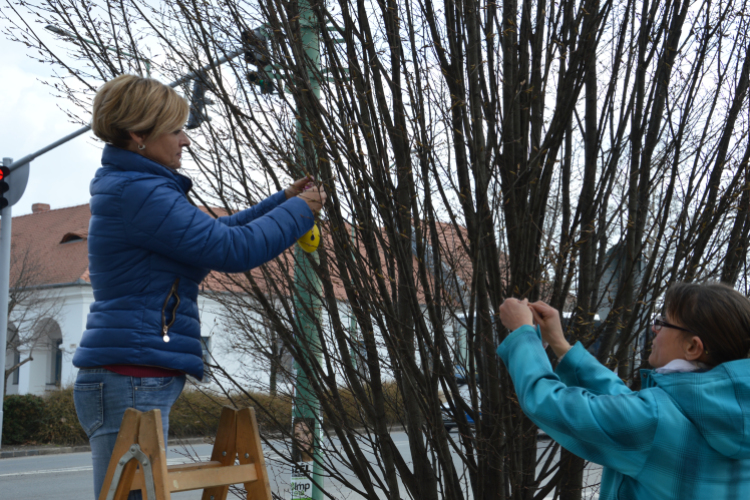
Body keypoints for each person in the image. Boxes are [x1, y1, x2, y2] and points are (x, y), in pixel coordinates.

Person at [71, 74, 327, 500]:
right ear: (138, 134)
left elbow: (210, 236)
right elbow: (230, 249)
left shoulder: (138, 187)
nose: (185, 141)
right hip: (132, 375)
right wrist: (300, 213)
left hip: (135, 372)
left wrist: (282, 203)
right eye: (175, 130)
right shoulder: (142, 192)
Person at [497, 282, 750, 499]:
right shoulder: (733, 413)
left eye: (664, 323)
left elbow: (547, 402)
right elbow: (629, 403)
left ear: (693, 347)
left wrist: (523, 333)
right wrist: (560, 344)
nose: (655, 329)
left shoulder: (654, 421)